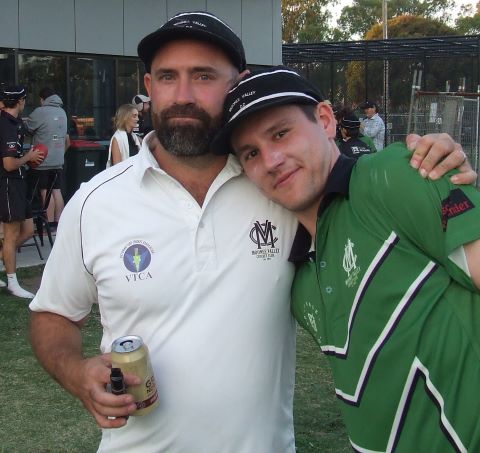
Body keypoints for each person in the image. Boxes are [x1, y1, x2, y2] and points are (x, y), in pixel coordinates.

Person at [29, 12, 474, 453]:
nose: (182, 95)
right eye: (167, 77)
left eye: (203, 76)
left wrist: (425, 163)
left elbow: (350, 178)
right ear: (149, 88)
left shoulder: (277, 185)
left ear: (236, 83)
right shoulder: (94, 202)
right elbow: (52, 315)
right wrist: (76, 373)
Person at [211, 66, 480, 452]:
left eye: (281, 133)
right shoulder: (300, 280)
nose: (270, 160)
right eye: (251, 153)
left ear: (324, 121)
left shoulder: (394, 175)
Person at [0, 85, 44, 297]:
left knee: (28, 230)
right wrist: (29, 157)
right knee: (10, 235)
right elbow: (8, 164)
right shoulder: (7, 124)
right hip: (9, 182)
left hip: (18, 182)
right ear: (20, 101)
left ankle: (4, 261)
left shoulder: (14, 123)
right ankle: (12, 282)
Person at [25, 87, 70, 228]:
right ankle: (59, 223)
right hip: (58, 160)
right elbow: (66, 138)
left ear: (42, 99)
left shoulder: (41, 111)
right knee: (56, 191)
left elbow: (27, 127)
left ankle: (49, 223)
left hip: (42, 159)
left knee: (45, 190)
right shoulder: (62, 112)